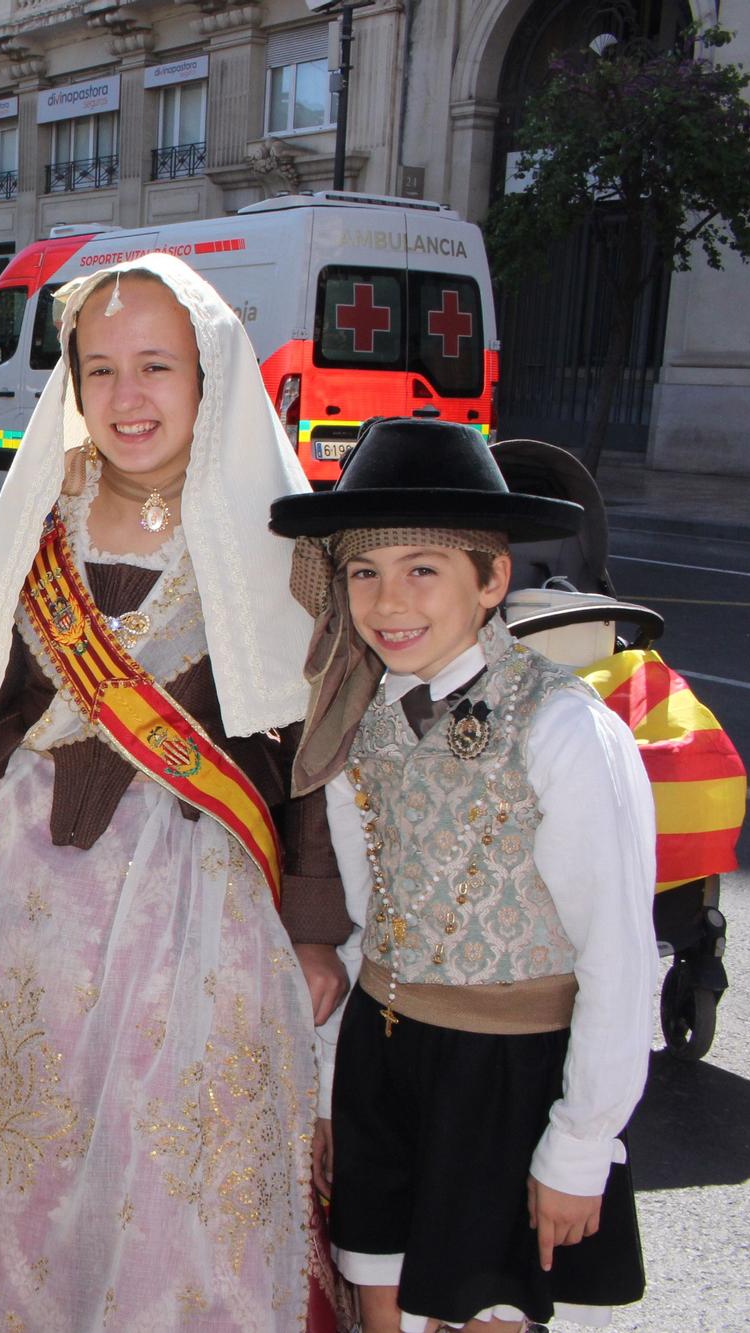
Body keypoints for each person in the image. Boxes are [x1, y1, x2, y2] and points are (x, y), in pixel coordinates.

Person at [0, 254, 353, 1330]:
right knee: (11, 1167)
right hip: (15, 904)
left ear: (207, 377)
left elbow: (302, 744)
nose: (126, 396)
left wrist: (312, 924)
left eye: (155, 366)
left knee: (165, 1182)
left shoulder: (271, 533)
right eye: (98, 370)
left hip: (190, 907)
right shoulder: (39, 514)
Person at [268, 418, 653, 1333]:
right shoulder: (365, 726)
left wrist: (581, 1146)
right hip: (386, 1061)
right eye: (364, 571)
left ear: (492, 579)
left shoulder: (562, 729)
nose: (388, 599)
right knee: (382, 1297)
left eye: (423, 569)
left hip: (504, 1076)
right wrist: (331, 1093)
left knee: (487, 1311)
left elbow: (618, 958)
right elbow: (368, 925)